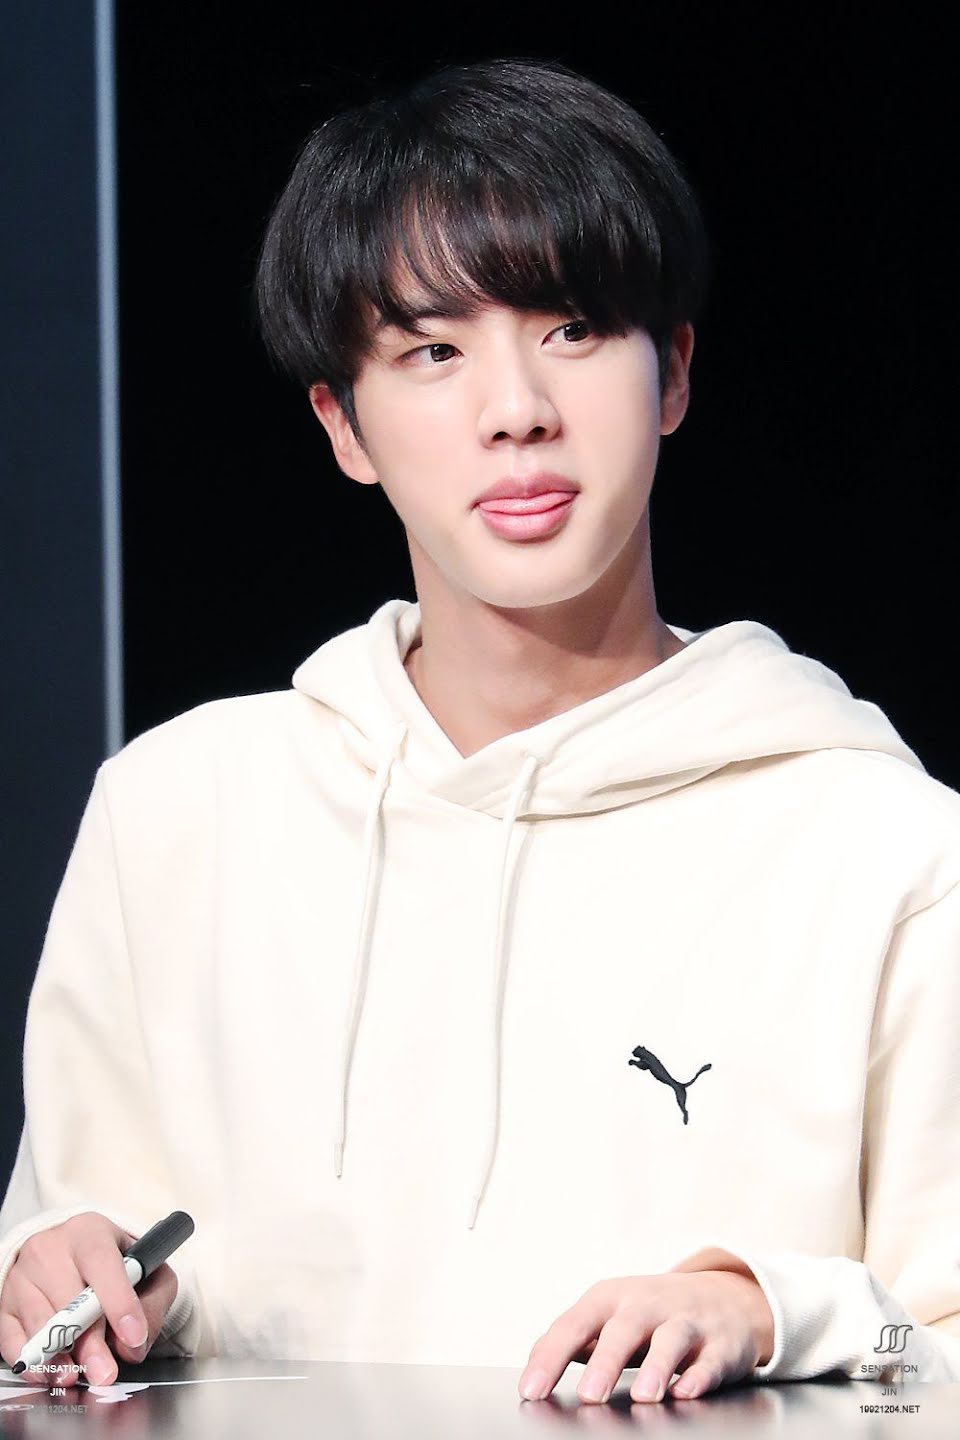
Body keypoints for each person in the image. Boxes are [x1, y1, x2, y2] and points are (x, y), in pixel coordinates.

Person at [2, 53, 960, 1408]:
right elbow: (87, 1266)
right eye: (433, 352)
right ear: (344, 425)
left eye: (573, 329)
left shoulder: (886, 849)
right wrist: (72, 1283)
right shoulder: (175, 813)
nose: (517, 412)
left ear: (673, 375)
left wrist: (771, 1309)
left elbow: (938, 1342)